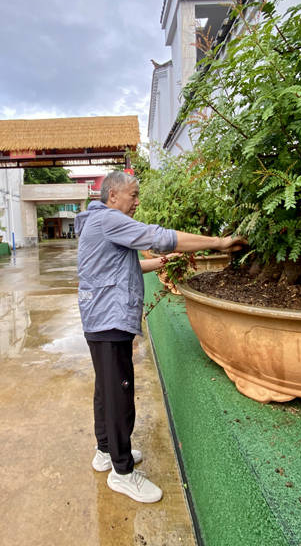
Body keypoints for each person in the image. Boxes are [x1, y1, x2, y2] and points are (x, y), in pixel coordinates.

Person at [75, 170, 245, 503]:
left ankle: (106, 451)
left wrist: (167, 260)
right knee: (120, 395)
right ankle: (122, 473)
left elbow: (128, 267)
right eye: (133, 195)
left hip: (100, 317)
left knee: (106, 389)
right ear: (113, 197)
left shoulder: (100, 223)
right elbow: (160, 236)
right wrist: (218, 243)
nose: (137, 202)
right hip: (108, 319)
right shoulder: (109, 220)